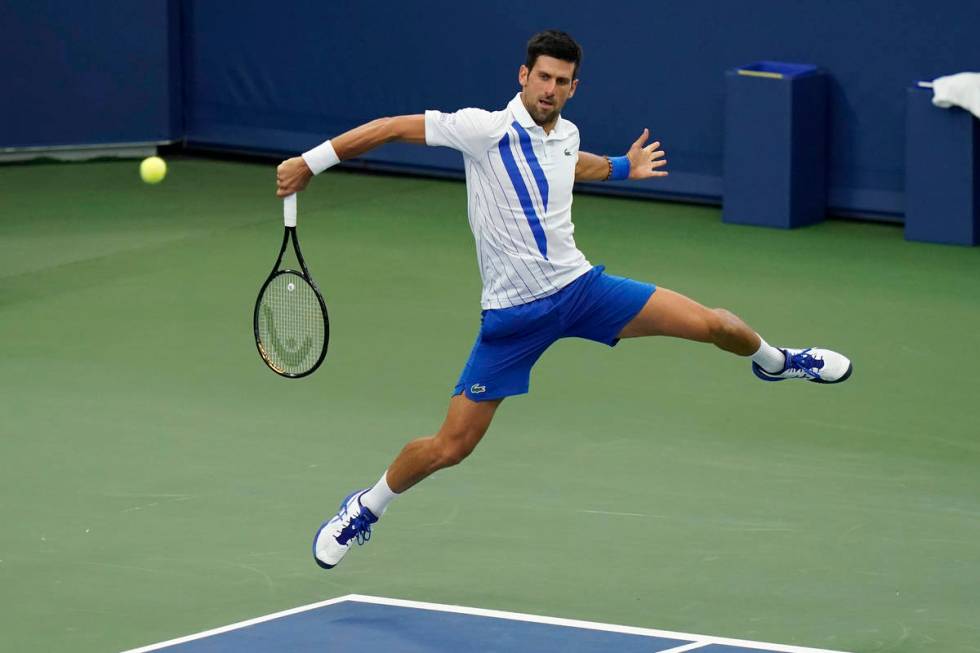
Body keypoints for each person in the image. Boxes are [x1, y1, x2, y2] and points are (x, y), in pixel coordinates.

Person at [274, 30, 852, 571]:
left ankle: (777, 362)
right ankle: (366, 507)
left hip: (582, 291)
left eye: (562, 81)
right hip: (511, 319)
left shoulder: (566, 133)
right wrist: (310, 162)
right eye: (543, 77)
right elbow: (389, 127)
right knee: (451, 446)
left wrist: (625, 167)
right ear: (524, 75)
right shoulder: (482, 130)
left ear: (574, 87)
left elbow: (572, 164)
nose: (551, 89)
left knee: (713, 323)